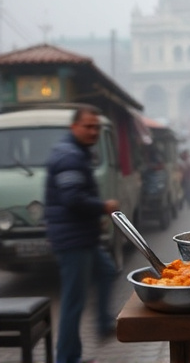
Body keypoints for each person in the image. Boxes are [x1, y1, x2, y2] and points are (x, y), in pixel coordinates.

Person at [44, 105, 120, 363]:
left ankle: (103, 324)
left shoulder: (78, 152)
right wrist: (103, 207)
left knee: (107, 271)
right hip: (73, 241)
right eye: (87, 126)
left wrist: (93, 220)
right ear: (73, 127)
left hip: (82, 235)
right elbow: (72, 198)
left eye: (96, 127)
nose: (93, 131)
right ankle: (66, 358)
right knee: (73, 301)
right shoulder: (70, 157)